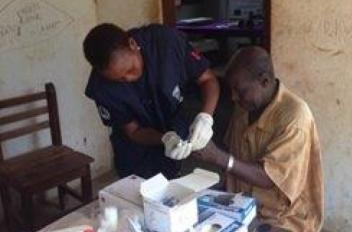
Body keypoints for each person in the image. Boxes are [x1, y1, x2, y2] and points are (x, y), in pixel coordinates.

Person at [191, 47, 324, 232]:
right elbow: (234, 153)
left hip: (285, 218)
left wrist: (217, 157)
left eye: (240, 90)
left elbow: (269, 177)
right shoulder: (245, 106)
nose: (234, 97)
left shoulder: (295, 118)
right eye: (232, 90)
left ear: (265, 81)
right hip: (245, 204)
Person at [82, 23, 220, 179]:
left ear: (133, 44)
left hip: (173, 124)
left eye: (130, 70)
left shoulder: (167, 43)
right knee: (136, 193)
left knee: (173, 185)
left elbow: (208, 79)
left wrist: (205, 117)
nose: (128, 78)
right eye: (119, 80)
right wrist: (164, 138)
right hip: (134, 152)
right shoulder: (101, 88)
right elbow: (133, 131)